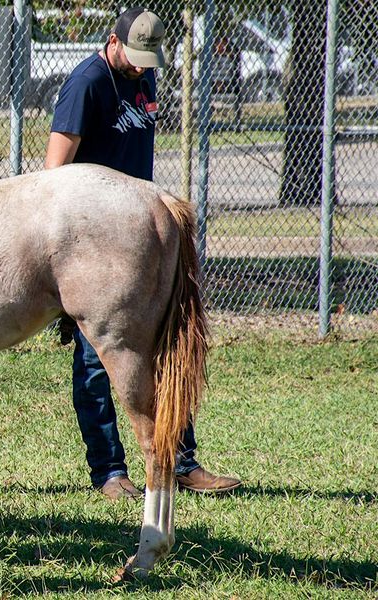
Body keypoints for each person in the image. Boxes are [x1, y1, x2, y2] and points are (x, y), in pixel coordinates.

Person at [45, 7, 241, 500]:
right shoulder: (85, 84)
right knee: (96, 361)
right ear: (112, 41)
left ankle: (181, 462)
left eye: (147, 60)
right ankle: (109, 472)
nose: (140, 67)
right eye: (132, 58)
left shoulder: (145, 73)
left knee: (166, 347)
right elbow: (52, 175)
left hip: (139, 237)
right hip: (91, 246)